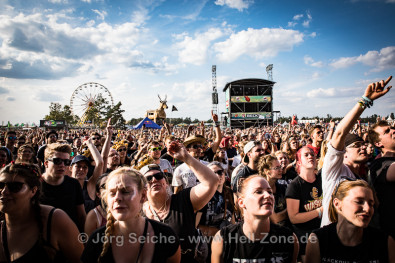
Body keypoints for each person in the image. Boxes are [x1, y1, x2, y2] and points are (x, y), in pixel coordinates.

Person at [321, 76, 393, 227]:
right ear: (343, 152)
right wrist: (365, 100)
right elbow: (340, 133)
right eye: (356, 145)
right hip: (332, 241)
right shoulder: (334, 170)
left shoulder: (365, 175)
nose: (363, 147)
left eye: (363, 144)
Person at [81, 167, 181, 263]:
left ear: (142, 196)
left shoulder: (166, 235)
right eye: (112, 193)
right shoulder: (97, 240)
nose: (117, 198)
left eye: (125, 191)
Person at [142, 140, 219, 262]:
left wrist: (186, 158)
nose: (154, 180)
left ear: (166, 182)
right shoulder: (139, 213)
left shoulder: (182, 200)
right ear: (142, 188)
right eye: (148, 178)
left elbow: (212, 182)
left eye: (158, 176)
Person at [0, 163, 83, 262]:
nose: (4, 191)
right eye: (0, 185)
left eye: (15, 186)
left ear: (33, 191)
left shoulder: (54, 220)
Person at [211, 175, 298, 263]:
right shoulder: (223, 240)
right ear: (241, 202)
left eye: (270, 192)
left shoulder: (289, 239)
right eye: (258, 192)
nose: (267, 195)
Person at [305, 179, 395, 262]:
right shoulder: (319, 240)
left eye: (371, 204)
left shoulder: (385, 242)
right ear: (337, 204)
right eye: (359, 201)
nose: (367, 209)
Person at [285, 146, 323, 260]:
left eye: (312, 154)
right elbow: (294, 217)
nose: (310, 156)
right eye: (306, 155)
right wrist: (319, 211)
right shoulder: (295, 186)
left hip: (323, 232)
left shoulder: (322, 180)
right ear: (299, 162)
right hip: (304, 236)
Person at [41, 143, 86, 232]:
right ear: (46, 163)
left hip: (70, 235)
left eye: (66, 162)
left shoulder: (74, 184)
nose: (62, 165)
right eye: (57, 161)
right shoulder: (35, 184)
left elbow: (81, 216)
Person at [367, 119, 395, 238]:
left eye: (392, 128)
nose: (393, 131)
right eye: (387, 131)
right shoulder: (379, 164)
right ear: (378, 144)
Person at [197, 161, 235, 237]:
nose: (217, 175)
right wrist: (216, 232)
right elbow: (195, 226)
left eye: (220, 172)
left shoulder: (229, 192)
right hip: (207, 241)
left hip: (227, 239)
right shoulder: (202, 195)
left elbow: (232, 216)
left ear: (224, 174)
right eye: (213, 173)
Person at [70, 137, 104, 213]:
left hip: (89, 224)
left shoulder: (89, 186)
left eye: (85, 167)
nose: (81, 169)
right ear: (70, 168)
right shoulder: (65, 185)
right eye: (78, 166)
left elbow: (100, 163)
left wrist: (90, 143)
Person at [258, 155, 290, 228]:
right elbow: (275, 219)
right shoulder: (261, 191)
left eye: (280, 166)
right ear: (267, 171)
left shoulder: (283, 188)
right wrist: (290, 210)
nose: (280, 170)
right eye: (277, 168)